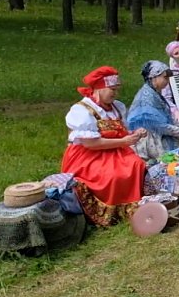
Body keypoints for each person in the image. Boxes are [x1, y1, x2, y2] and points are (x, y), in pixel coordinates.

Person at [61, 66, 147, 227]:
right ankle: (111, 213)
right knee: (113, 175)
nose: (115, 93)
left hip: (115, 151)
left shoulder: (117, 107)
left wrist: (135, 133)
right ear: (99, 88)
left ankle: (133, 206)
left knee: (138, 164)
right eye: (111, 89)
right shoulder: (82, 110)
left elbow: (120, 132)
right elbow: (90, 143)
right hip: (87, 156)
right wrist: (125, 142)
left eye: (117, 89)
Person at [126, 61, 179, 164]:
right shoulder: (146, 99)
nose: (167, 81)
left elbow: (168, 121)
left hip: (162, 132)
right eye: (165, 77)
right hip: (152, 140)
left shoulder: (155, 93)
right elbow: (160, 127)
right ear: (153, 77)